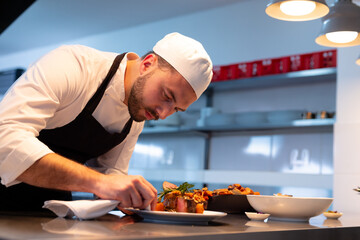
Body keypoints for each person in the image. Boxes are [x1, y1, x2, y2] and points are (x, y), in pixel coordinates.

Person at [0, 32, 213, 212]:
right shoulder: (73, 66)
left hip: (47, 210)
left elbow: (111, 175)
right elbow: (5, 139)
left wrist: (130, 197)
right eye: (167, 96)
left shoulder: (136, 115)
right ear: (147, 64)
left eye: (176, 109)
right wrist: (102, 183)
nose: (164, 114)